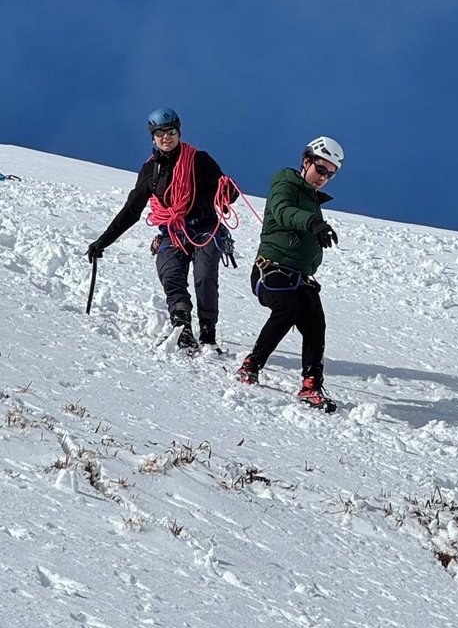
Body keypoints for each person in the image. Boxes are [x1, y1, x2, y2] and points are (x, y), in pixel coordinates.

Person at [86, 108, 238, 351]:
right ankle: (182, 326)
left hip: (205, 229)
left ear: (179, 132)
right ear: (153, 137)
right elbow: (131, 210)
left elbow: (227, 193)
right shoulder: (151, 171)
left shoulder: (199, 160)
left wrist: (227, 191)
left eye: (171, 131)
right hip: (172, 232)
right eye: (160, 133)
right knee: (170, 274)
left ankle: (208, 333)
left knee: (205, 274)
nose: (166, 137)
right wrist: (102, 241)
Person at [236, 135, 344, 410]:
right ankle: (251, 365)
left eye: (330, 174)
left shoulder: (312, 202)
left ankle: (311, 385)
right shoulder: (285, 182)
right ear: (306, 161)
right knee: (289, 308)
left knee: (316, 322)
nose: (323, 178)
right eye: (321, 169)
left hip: (299, 276)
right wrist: (313, 223)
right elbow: (283, 211)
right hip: (271, 269)